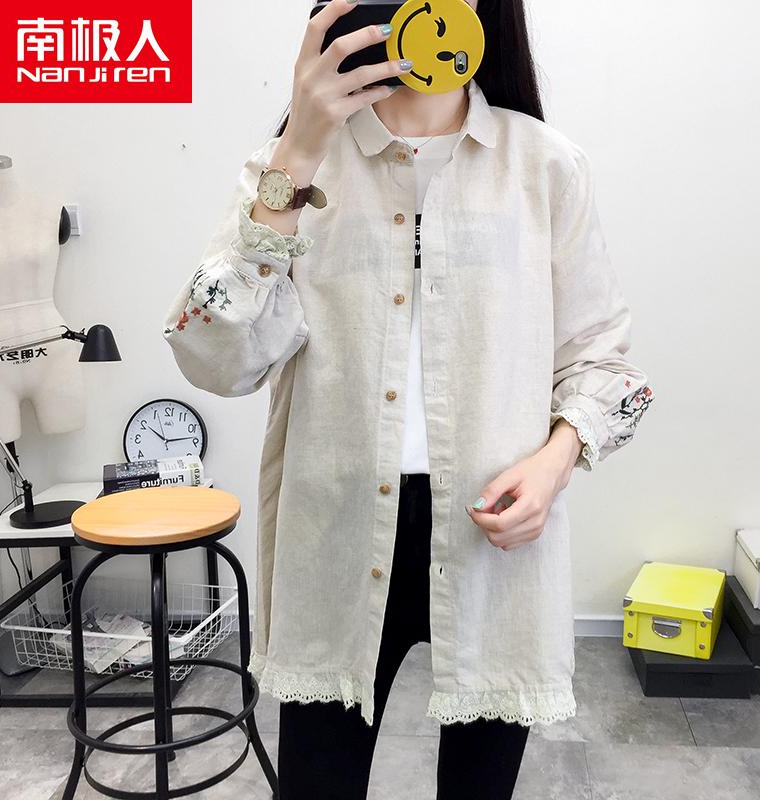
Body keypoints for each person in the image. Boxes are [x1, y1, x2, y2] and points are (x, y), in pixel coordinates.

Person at [161, 1, 655, 797]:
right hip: (334, 530)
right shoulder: (288, 173)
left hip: (496, 541)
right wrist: (298, 153)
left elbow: (603, 359)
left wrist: (556, 460)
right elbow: (215, 359)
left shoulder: (545, 166)